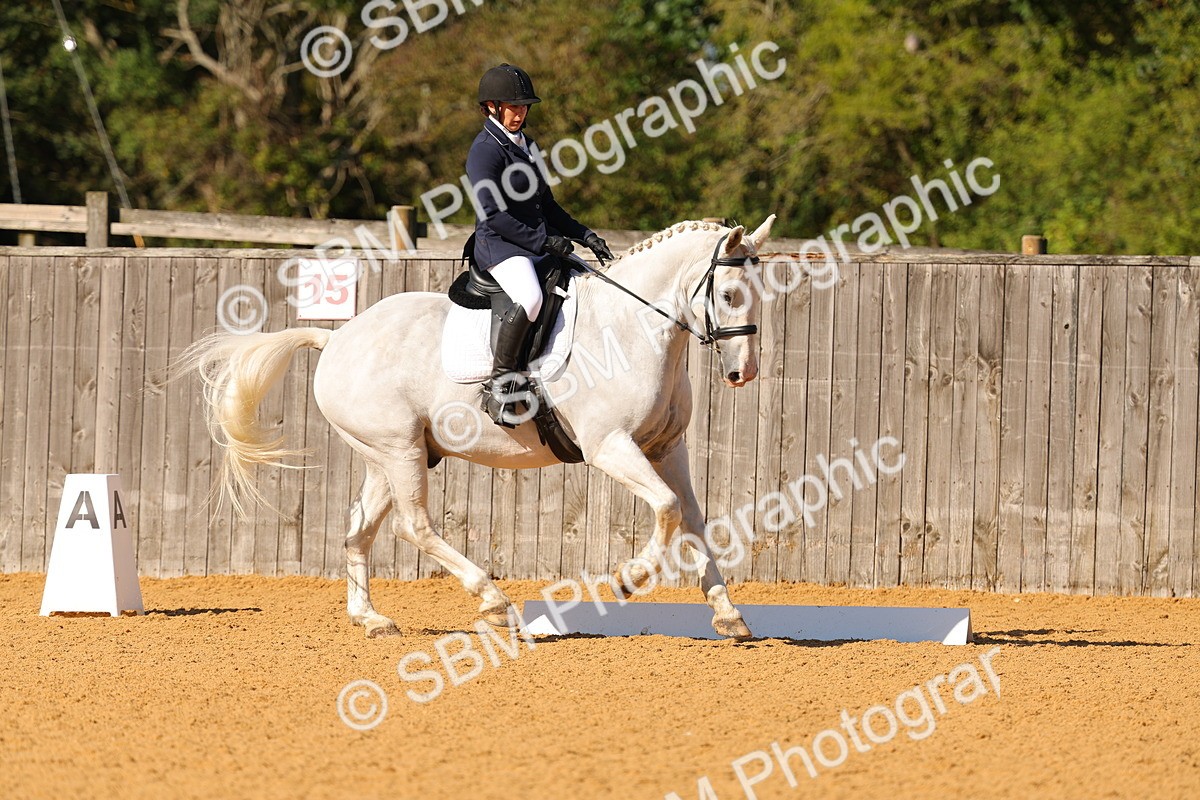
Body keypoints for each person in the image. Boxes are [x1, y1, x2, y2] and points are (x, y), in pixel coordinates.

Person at [466, 63, 615, 427]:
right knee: (530, 297)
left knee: (584, 281)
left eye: (523, 106)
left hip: (533, 242)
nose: (520, 113)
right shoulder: (485, 151)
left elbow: (546, 205)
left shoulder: (528, 146)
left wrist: (585, 235)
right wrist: (544, 240)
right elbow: (493, 215)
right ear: (491, 107)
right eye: (512, 106)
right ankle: (501, 383)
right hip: (499, 246)